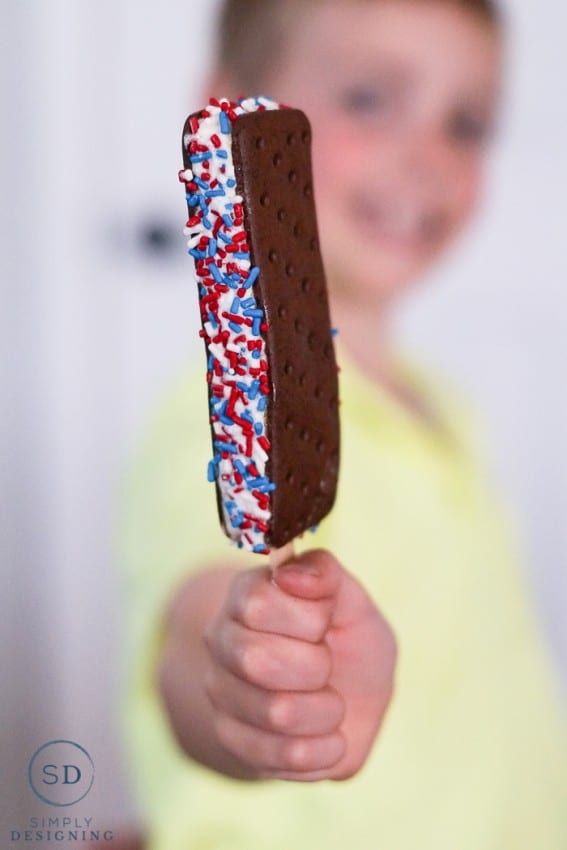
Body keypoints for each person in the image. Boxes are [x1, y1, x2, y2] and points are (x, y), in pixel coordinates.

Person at [118, 1, 567, 848]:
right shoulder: (206, 428)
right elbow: (197, 629)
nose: (426, 158)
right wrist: (243, 689)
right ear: (231, 112)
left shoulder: (444, 406)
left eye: (466, 124)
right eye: (367, 98)